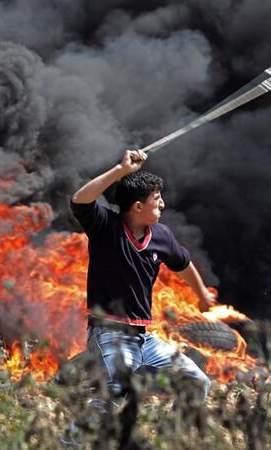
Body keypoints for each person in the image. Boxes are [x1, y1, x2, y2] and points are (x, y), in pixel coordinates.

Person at [70, 149, 215, 405]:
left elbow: (182, 263)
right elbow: (80, 200)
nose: (162, 204)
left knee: (197, 382)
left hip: (143, 339)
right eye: (156, 198)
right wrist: (121, 171)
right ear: (138, 206)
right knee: (114, 390)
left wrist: (201, 293)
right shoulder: (106, 227)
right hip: (108, 334)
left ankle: (173, 439)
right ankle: (70, 445)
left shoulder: (162, 235)